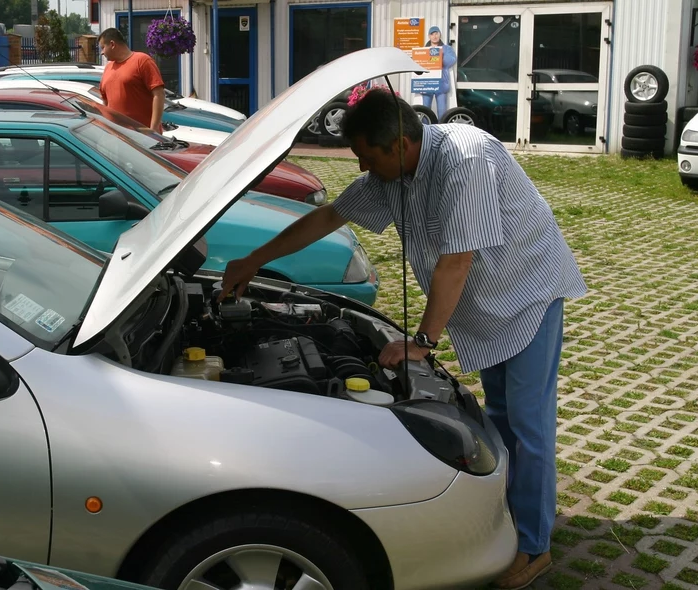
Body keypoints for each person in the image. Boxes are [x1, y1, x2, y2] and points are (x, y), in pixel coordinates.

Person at [218, 87, 587, 590]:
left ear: (398, 146)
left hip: (527, 293)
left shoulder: (466, 159)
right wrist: (255, 259)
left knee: (529, 426)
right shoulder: (389, 173)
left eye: (367, 156)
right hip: (484, 304)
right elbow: (330, 216)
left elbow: (458, 261)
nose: (362, 168)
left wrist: (423, 342)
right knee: (500, 419)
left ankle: (535, 546)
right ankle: (511, 515)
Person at [97, 28, 166, 133]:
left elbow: (159, 94)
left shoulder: (142, 61)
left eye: (103, 47)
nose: (102, 53)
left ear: (112, 44)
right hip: (118, 136)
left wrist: (153, 129)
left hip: (143, 136)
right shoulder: (107, 68)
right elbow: (106, 102)